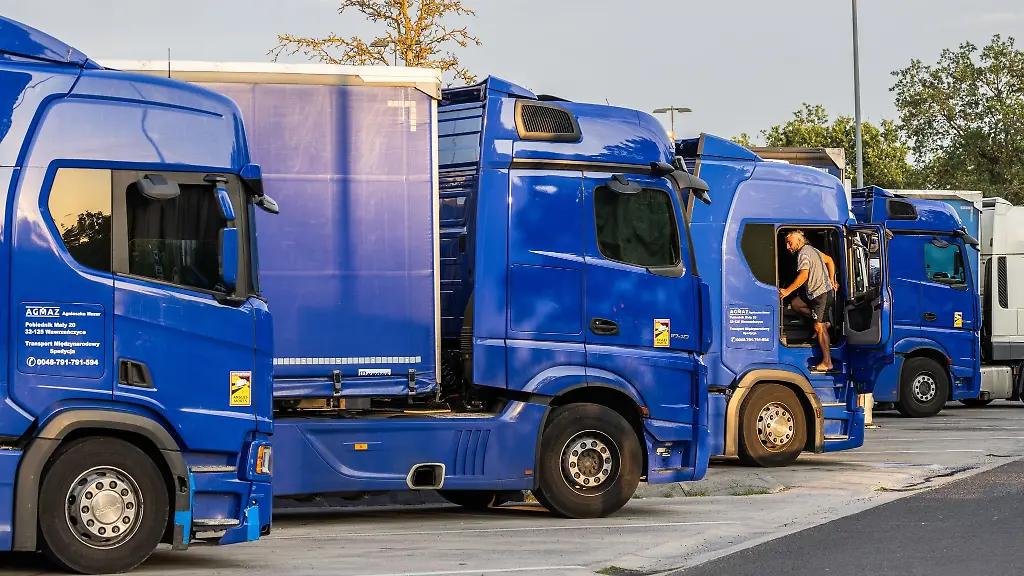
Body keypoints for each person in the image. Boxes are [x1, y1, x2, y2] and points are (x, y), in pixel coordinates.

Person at [779, 230, 838, 372]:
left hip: (821, 293)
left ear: (799, 240)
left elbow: (803, 275)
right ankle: (824, 322)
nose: (787, 246)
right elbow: (829, 260)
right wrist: (832, 279)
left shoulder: (803, 253)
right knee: (796, 304)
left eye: (789, 243)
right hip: (812, 293)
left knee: (819, 327)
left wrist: (787, 291)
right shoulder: (812, 250)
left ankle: (827, 362)